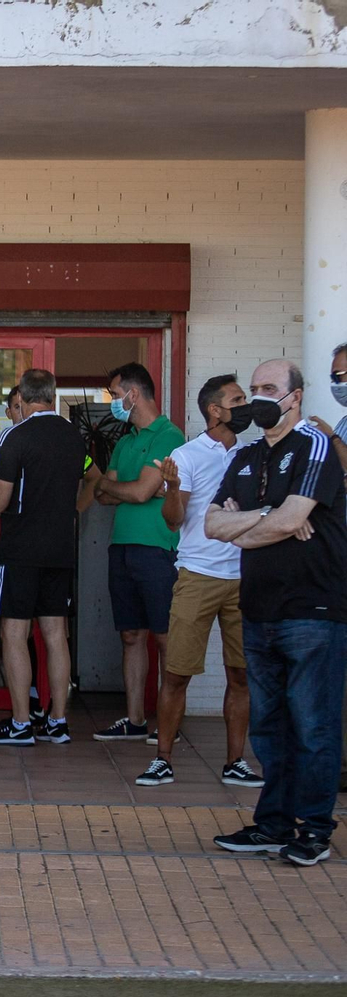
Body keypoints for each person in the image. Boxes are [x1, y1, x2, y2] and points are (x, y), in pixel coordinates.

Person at [207, 359, 347, 867]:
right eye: (253, 389)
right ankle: (272, 824)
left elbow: (291, 518)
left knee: (313, 727)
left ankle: (313, 829)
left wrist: (264, 520)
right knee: (269, 727)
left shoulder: (313, 445)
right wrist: (272, 516)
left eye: (270, 388)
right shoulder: (244, 457)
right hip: (259, 608)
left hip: (312, 610)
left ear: (296, 397)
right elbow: (210, 524)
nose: (258, 398)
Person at [135, 374, 260, 787]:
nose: (246, 405)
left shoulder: (253, 455)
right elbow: (173, 521)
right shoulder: (186, 455)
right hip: (197, 575)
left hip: (244, 578)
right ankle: (163, 758)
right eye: (238, 399)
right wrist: (171, 486)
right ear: (214, 409)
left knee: (240, 674)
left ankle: (235, 762)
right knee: (177, 673)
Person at [0, 369, 87, 745]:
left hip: (20, 550)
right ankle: (58, 721)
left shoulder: (15, 436)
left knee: (14, 632)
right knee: (56, 634)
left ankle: (22, 723)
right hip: (60, 549)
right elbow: (88, 483)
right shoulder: (74, 437)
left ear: (21, 396)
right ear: (53, 395)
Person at [92, 362, 187, 741]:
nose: (113, 402)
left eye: (115, 395)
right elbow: (101, 493)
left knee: (165, 637)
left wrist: (126, 489)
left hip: (158, 548)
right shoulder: (125, 441)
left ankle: (169, 723)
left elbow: (139, 492)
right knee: (131, 635)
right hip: (122, 548)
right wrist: (130, 488)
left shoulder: (169, 435)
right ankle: (135, 721)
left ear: (134, 393)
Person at [307, 340, 347, 793]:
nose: (338, 384)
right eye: (334, 376)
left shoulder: (336, 431)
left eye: (343, 376)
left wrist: (331, 439)